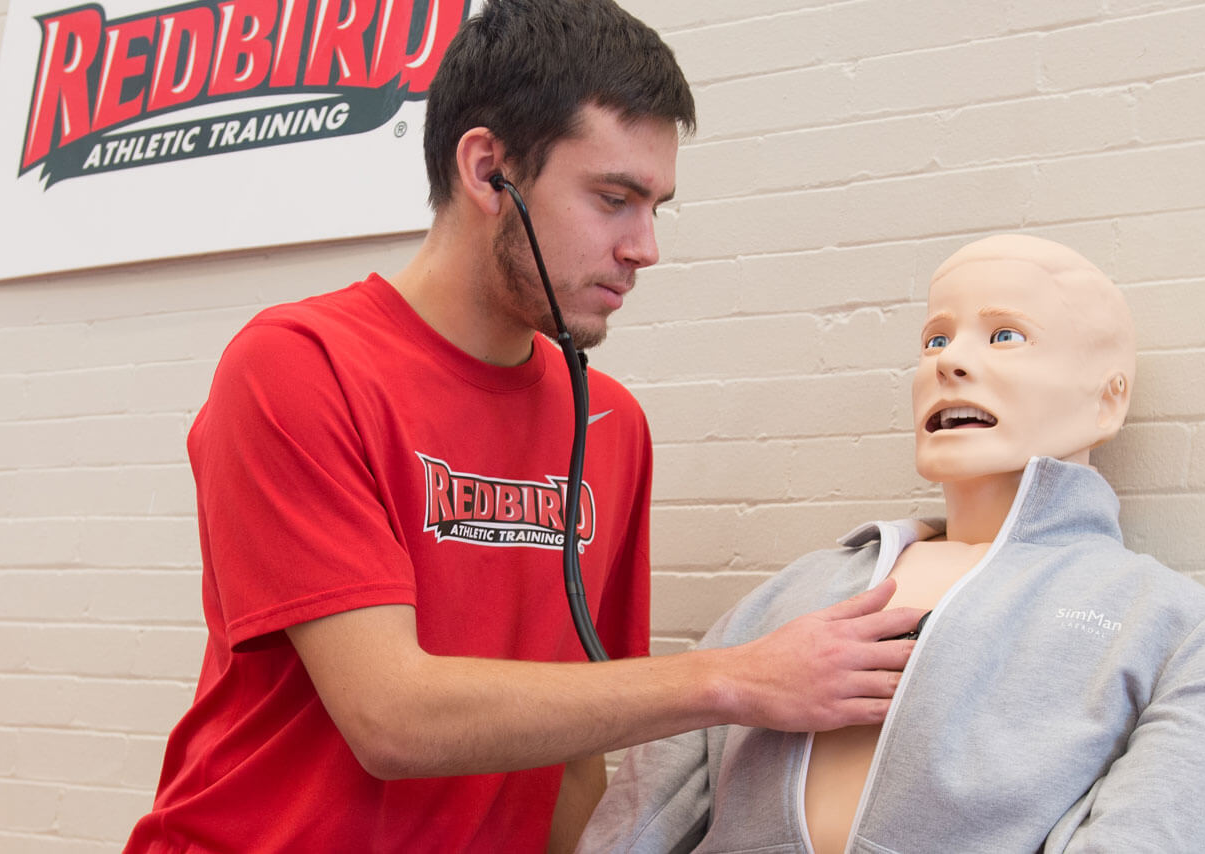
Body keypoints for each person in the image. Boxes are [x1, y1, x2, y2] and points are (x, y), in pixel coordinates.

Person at [122, 2, 927, 851]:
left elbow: (579, 744)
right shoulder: (299, 365)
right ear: (487, 170)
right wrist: (735, 678)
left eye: (657, 206)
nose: (645, 246)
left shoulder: (612, 422)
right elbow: (392, 718)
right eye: (614, 199)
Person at [580, 235, 1205, 853]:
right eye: (936, 338)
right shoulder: (781, 602)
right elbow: (635, 820)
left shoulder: (1184, 638)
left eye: (1006, 336)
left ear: (1107, 398)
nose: (951, 363)